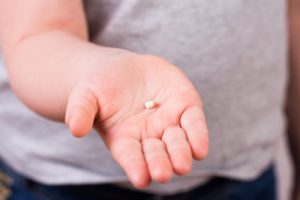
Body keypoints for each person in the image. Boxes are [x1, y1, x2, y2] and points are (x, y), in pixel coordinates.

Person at [0, 0, 296, 199]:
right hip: (67, 183)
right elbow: (36, 36)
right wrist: (96, 71)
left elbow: (292, 15)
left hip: (245, 172)